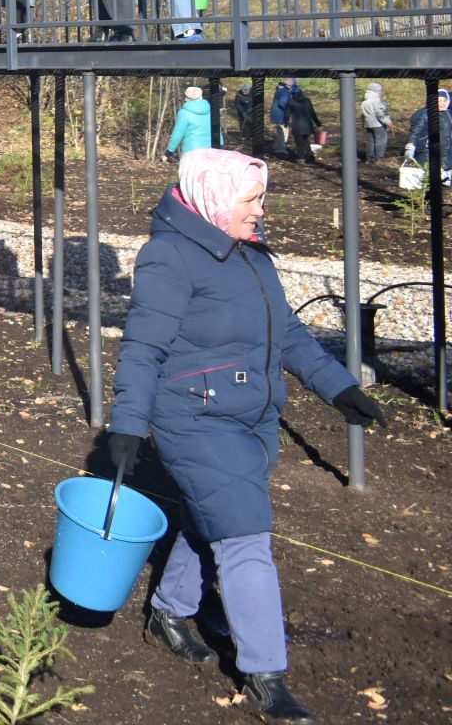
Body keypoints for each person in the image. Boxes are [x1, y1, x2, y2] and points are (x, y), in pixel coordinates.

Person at [106, 148, 383, 724]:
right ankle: (266, 674)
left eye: (262, 198)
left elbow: (291, 336)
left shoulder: (254, 257)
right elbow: (143, 347)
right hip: (194, 417)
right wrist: (128, 425)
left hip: (251, 420)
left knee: (214, 517)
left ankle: (171, 610)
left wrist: (340, 390)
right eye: (251, 199)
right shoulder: (169, 257)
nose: (261, 209)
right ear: (214, 196)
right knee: (246, 536)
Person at [405, 87, 452, 182]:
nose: (442, 103)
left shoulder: (448, 114)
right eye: (439, 101)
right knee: (427, 180)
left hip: (445, 153)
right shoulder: (425, 114)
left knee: (440, 181)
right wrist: (409, 148)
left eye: (444, 101)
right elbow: (415, 132)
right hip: (428, 152)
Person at [281, 80, 321, 164]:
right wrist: (317, 123)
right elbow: (312, 112)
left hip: (297, 126)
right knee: (306, 140)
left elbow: (287, 113)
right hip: (307, 125)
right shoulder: (307, 100)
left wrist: (285, 122)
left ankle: (300, 158)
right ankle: (310, 155)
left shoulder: (291, 101)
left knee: (299, 143)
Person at [167, 85, 212, 158]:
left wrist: (168, 152)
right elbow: (216, 129)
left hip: (191, 151)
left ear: (187, 98)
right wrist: (221, 145)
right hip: (210, 151)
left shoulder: (184, 113)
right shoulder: (210, 110)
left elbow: (178, 133)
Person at [361, 82, 391, 161]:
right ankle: (379, 157)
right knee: (381, 140)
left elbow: (363, 114)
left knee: (371, 141)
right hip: (378, 124)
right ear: (377, 91)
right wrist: (388, 122)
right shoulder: (376, 100)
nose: (381, 92)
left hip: (368, 124)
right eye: (380, 90)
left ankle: (370, 157)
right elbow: (380, 113)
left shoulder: (365, 100)